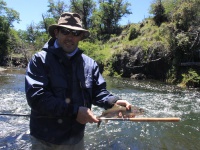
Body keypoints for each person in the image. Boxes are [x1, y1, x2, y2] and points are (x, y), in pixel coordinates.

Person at [25, 12, 131, 150]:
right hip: (44, 141)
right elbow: (36, 98)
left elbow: (98, 92)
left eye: (75, 33)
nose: (70, 37)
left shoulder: (90, 64)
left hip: (76, 140)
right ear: (56, 33)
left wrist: (113, 102)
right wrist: (74, 112)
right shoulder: (39, 60)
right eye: (65, 31)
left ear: (81, 36)